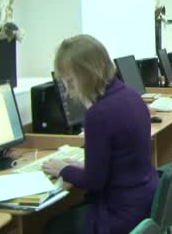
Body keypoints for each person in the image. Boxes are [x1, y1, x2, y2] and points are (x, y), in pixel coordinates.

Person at [43, 35, 158, 234]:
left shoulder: (99, 114)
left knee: (52, 226)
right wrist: (86, 165)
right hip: (145, 200)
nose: (69, 91)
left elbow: (93, 182)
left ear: (87, 74)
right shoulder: (132, 96)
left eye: (70, 81)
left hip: (120, 213)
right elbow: (122, 160)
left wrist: (63, 169)